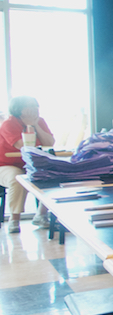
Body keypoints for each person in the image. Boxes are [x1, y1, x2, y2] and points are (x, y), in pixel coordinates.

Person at [1, 96, 55, 233]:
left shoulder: (40, 121)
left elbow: (49, 143)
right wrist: (30, 126)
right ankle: (14, 219)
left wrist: (36, 125)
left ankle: (41, 215)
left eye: (35, 106)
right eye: (29, 106)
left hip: (31, 164)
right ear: (18, 109)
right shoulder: (9, 124)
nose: (34, 109)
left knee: (51, 175)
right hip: (6, 165)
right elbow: (24, 146)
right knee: (17, 178)